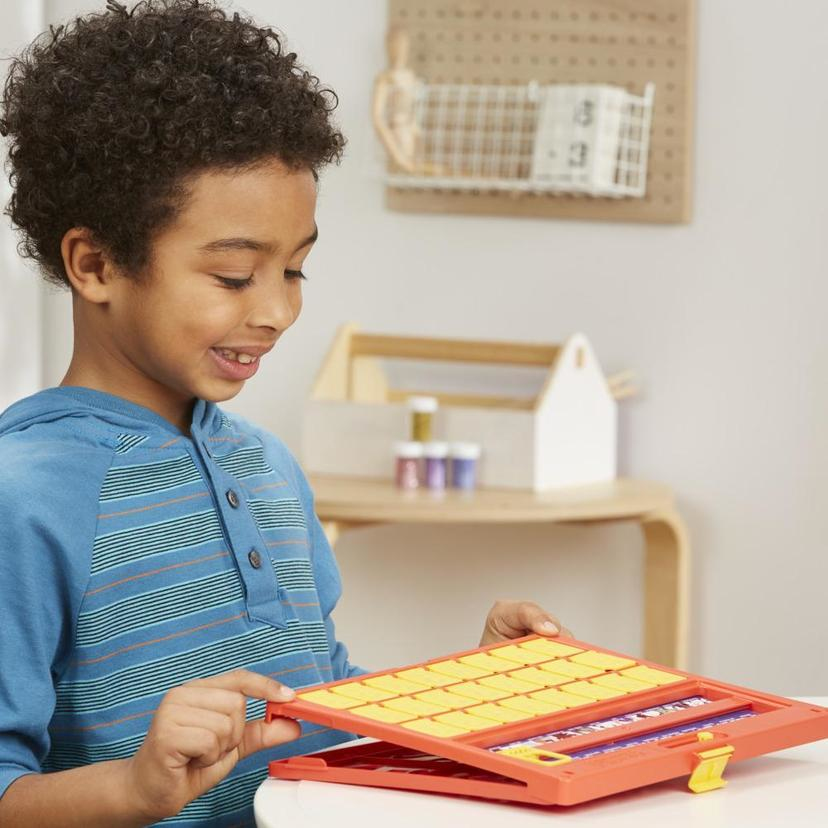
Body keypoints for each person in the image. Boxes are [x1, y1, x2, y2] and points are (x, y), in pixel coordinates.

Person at [0, 2, 570, 825]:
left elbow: (323, 705)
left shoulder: (265, 465)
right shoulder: (25, 497)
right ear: (95, 264)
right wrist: (134, 789)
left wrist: (468, 693)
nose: (276, 311)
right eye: (234, 277)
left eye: (295, 270)